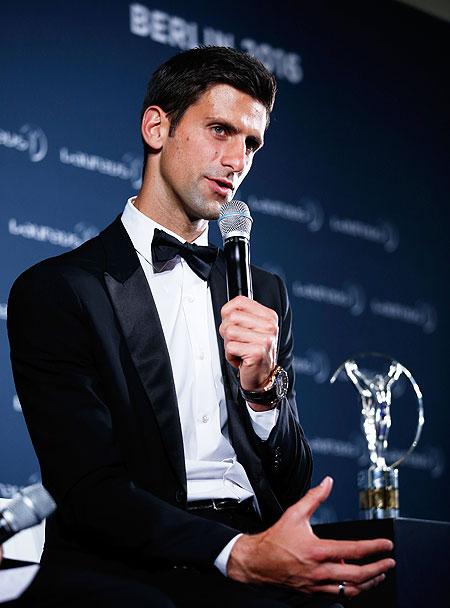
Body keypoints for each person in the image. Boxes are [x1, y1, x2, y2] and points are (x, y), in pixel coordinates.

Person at [7, 47, 395, 607]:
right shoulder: (60, 289)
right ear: (157, 126)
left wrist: (263, 393)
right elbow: (87, 488)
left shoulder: (264, 293)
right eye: (220, 129)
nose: (237, 159)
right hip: (133, 564)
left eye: (252, 143)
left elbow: (289, 483)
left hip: (259, 543)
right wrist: (235, 553)